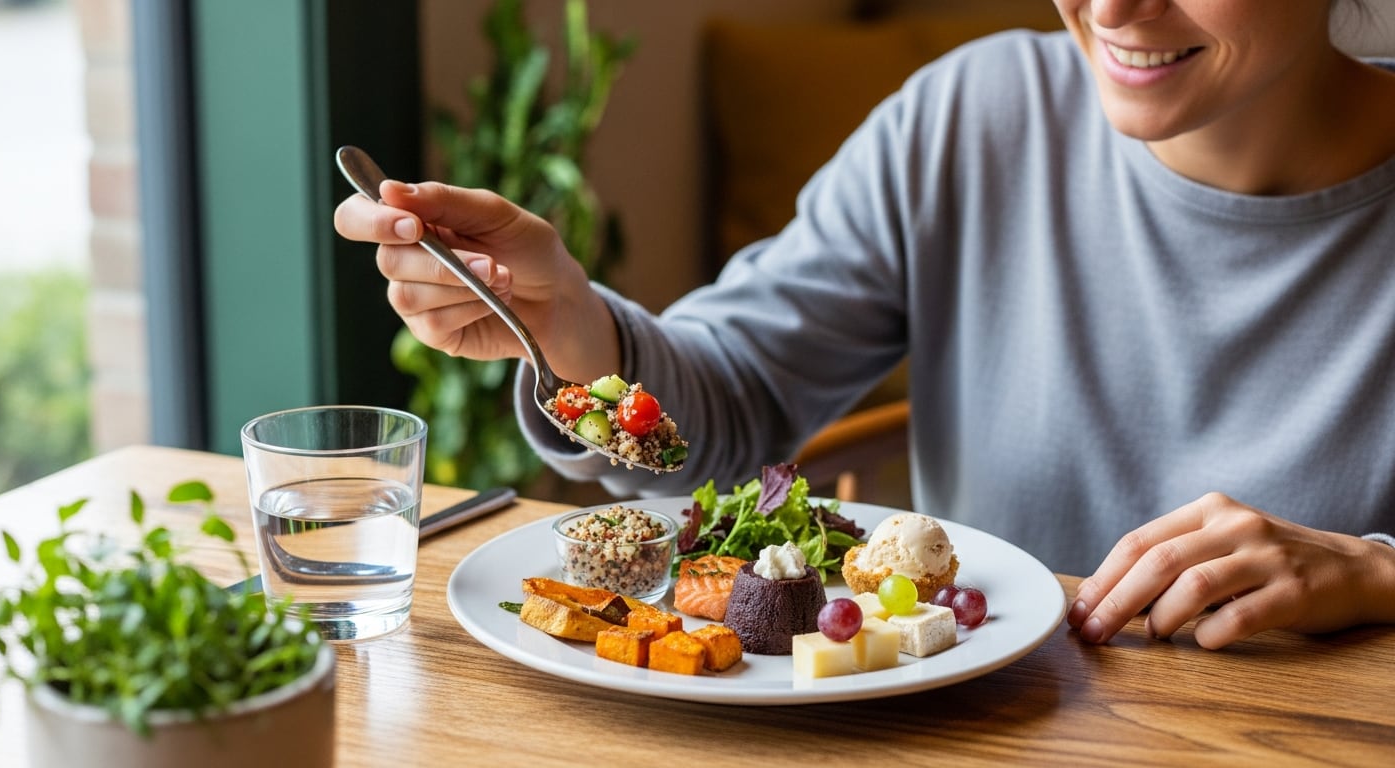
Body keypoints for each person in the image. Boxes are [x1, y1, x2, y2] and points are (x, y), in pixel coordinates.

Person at [335, 0, 1395, 650]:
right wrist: (565, 317)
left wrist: (1380, 573)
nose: (1112, 7)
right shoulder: (970, 116)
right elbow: (739, 394)